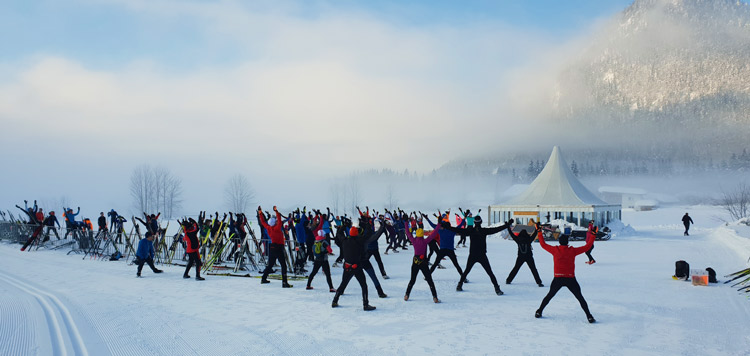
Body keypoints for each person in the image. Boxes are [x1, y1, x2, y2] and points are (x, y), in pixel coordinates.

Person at [535, 222, 596, 323]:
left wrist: (539, 231)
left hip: (558, 278)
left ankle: (539, 311)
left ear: (559, 242)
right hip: (570, 278)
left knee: (549, 296)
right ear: (568, 242)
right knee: (580, 298)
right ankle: (589, 316)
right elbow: (587, 246)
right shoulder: (572, 251)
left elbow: (543, 244)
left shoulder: (555, 250)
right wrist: (593, 235)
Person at [442, 215, 511, 295]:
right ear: (481, 222)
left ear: (474, 222)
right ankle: (497, 289)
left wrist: (446, 226)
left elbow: (458, 230)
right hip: (482, 255)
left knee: (466, 271)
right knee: (490, 272)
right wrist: (507, 225)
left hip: (472, 255)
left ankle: (459, 285)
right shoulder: (484, 231)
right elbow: (496, 229)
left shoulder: (470, 231)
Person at [331, 218, 381, 311]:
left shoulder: (344, 240)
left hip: (347, 266)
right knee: (363, 285)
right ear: (357, 233)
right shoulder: (360, 241)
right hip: (356, 267)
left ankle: (335, 300)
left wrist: (344, 226)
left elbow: (338, 234)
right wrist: (367, 224)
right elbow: (369, 234)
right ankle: (365, 304)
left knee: (343, 284)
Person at [404, 221, 441, 303]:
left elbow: (408, 233)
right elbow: (434, 234)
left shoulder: (413, 240)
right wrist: (438, 224)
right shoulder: (425, 241)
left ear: (416, 234)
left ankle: (407, 295)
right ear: (422, 234)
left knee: (412, 280)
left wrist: (406, 223)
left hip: (415, 262)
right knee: (430, 280)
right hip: (423, 262)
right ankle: (435, 297)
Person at [258, 206, 292, 288]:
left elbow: (263, 222)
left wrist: (260, 213)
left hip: (272, 248)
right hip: (279, 248)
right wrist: (276, 212)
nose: (277, 222)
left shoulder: (268, 228)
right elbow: (279, 220)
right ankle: (284, 283)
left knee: (270, 265)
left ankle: (263, 278)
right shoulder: (276, 228)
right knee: (283, 265)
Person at [425, 212, 466, 279]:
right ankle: (463, 277)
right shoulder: (453, 231)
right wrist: (464, 218)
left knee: (435, 264)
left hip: (442, 250)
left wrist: (427, 219)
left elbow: (433, 225)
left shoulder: (440, 231)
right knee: (456, 265)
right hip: (450, 250)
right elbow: (460, 225)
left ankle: (427, 276)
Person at [505, 219, 544, 287]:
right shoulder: (529, 239)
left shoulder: (518, 239)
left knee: (516, 268)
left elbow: (511, 234)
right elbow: (534, 234)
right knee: (533, 269)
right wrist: (537, 228)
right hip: (529, 257)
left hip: (520, 257)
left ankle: (508, 280)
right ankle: (539, 282)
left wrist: (508, 227)